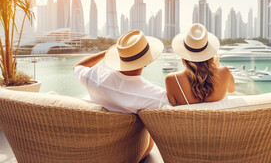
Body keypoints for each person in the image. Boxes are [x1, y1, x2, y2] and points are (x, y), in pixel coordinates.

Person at [73, 30, 170, 160]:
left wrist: (105, 53)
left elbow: (78, 66)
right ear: (146, 61)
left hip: (95, 151)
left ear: (119, 58)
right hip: (131, 153)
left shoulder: (96, 77)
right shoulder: (154, 95)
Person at [165, 23, 235, 106]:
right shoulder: (224, 72)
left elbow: (173, 105)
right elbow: (231, 90)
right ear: (209, 52)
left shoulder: (172, 79)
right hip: (218, 118)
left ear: (184, 54)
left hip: (188, 119)